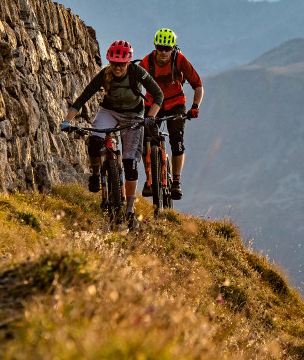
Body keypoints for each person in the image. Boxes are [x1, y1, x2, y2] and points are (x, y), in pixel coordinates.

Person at [60, 39, 164, 225]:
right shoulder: (104, 75)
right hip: (109, 112)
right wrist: (67, 121)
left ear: (128, 62)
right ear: (110, 62)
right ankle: (95, 174)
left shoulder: (137, 72)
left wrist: (151, 116)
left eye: (122, 64)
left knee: (130, 164)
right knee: (94, 141)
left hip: (133, 115)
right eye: (114, 63)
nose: (118, 68)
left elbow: (158, 95)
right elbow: (83, 97)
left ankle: (130, 210)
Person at [138, 28, 204, 200]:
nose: (164, 52)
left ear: (173, 48)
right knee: (147, 140)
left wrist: (195, 106)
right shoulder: (146, 62)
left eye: (168, 48)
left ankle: (176, 182)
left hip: (176, 103)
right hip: (152, 104)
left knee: (177, 139)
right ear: (155, 47)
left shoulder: (179, 60)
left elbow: (198, 85)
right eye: (160, 48)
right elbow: (134, 84)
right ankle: (150, 179)